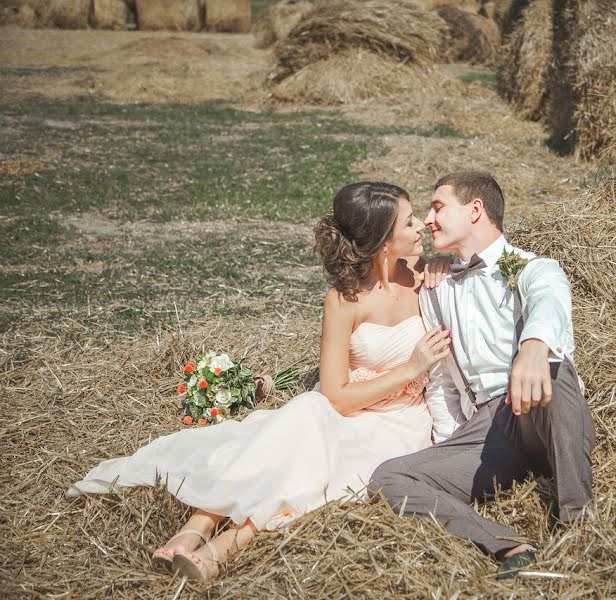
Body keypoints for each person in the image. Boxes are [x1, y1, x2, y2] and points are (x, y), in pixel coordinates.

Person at [67, 182, 454, 581]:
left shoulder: (427, 274)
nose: (421, 226)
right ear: (382, 242)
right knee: (305, 414)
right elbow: (336, 396)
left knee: (320, 467)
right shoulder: (343, 300)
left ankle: (226, 546)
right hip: (342, 410)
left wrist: (444, 269)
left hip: (400, 423)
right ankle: (194, 528)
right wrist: (409, 368)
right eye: (409, 222)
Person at [368, 172, 595, 579]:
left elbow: (550, 300)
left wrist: (534, 346)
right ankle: (509, 546)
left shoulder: (533, 267)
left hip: (545, 410)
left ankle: (578, 523)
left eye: (437, 207)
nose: (428, 219)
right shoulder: (436, 286)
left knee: (555, 371)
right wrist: (451, 437)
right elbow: (440, 377)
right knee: (389, 477)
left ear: (475, 210)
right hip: (488, 428)